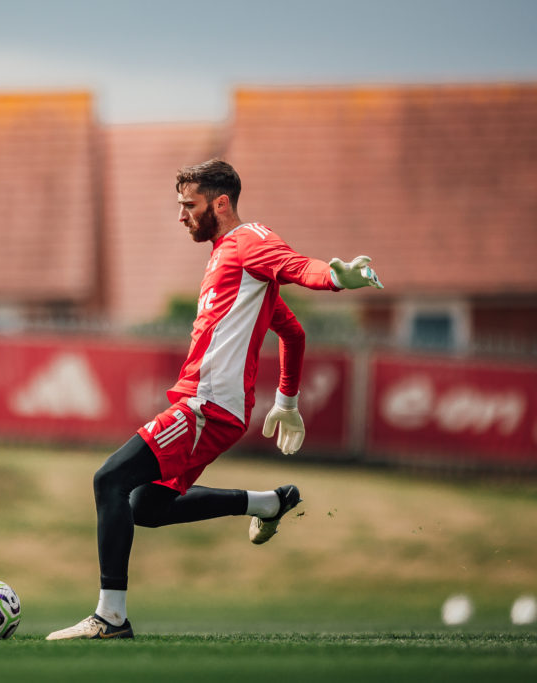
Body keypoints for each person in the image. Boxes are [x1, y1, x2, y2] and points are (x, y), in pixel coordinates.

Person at [46, 158, 383, 640]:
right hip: (212, 408)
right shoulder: (230, 261)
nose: (182, 216)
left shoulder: (248, 241)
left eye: (190, 205)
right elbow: (292, 331)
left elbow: (295, 264)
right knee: (147, 506)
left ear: (220, 203)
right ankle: (268, 503)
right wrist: (286, 401)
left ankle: (110, 619)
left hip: (206, 406)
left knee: (109, 481)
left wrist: (336, 277)